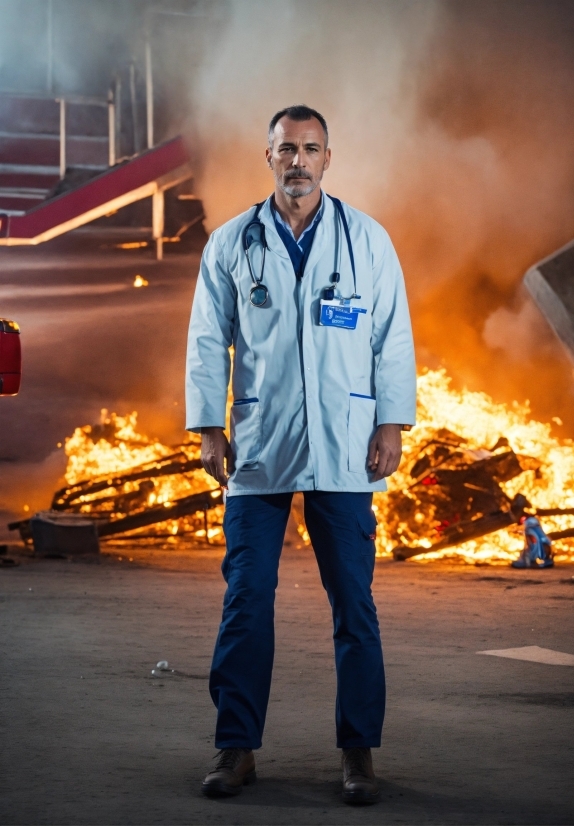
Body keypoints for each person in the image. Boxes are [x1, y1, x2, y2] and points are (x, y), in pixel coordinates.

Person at [186, 104, 416, 805]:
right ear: (268, 157)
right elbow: (206, 340)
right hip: (257, 446)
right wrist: (208, 428)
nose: (298, 162)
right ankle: (236, 748)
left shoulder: (366, 240)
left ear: (327, 158)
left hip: (347, 447)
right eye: (286, 149)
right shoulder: (232, 243)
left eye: (310, 149)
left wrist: (392, 423)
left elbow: (393, 337)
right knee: (247, 600)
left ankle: (357, 753)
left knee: (354, 604)